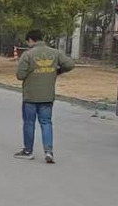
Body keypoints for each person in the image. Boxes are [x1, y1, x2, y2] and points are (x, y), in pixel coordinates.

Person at [14, 29, 75, 164]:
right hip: (47, 96)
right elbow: (70, 64)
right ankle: (48, 151)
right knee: (46, 122)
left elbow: (20, 75)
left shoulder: (28, 54)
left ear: (31, 40)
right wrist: (57, 71)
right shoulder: (55, 53)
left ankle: (28, 151)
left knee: (29, 123)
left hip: (30, 96)